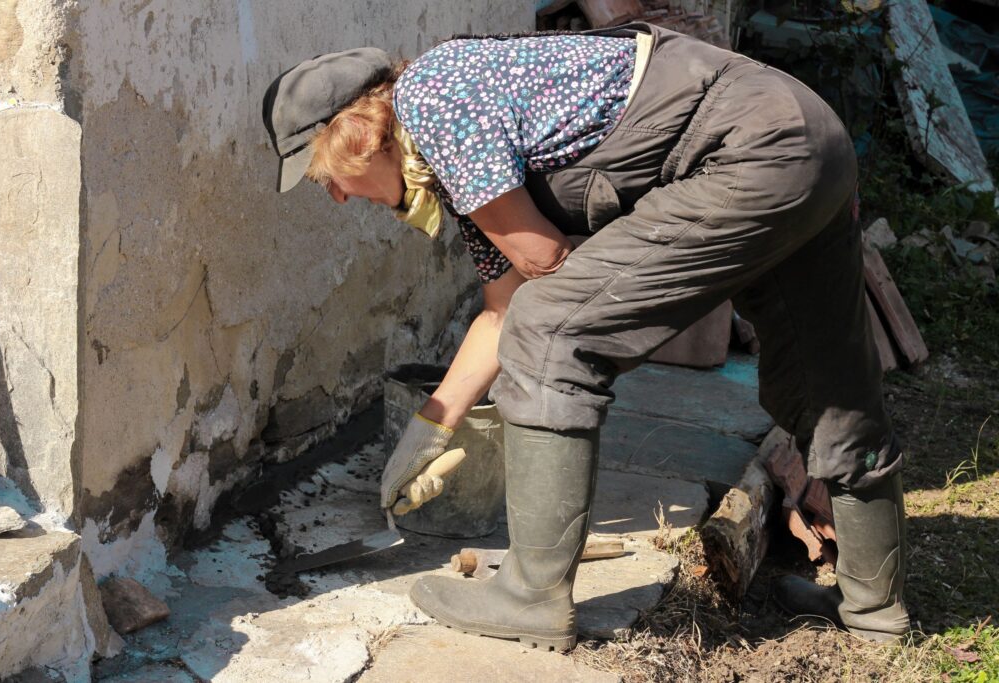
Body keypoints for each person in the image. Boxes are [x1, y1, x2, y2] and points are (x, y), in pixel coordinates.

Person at [262, 23, 910, 651]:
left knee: (551, 330)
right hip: (808, 134)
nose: (340, 199)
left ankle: (530, 595)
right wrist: (428, 428)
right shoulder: (455, 134)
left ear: (357, 136)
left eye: (326, 179)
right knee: (824, 378)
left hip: (749, 148)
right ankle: (873, 606)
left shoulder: (432, 101)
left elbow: (542, 266)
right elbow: (499, 305)